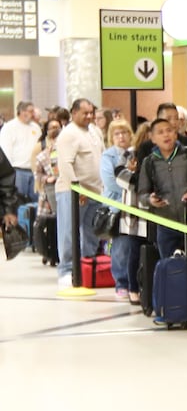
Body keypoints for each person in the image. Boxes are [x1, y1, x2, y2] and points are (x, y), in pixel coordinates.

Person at [55, 98, 105, 286]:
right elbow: (65, 163)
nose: (89, 116)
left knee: (92, 232)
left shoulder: (95, 131)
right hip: (72, 191)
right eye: (85, 113)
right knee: (69, 232)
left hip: (95, 191)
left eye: (91, 112)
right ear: (74, 113)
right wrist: (77, 188)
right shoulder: (68, 134)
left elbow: (102, 156)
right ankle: (66, 270)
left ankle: (87, 265)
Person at [137, 117, 187, 262]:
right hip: (165, 223)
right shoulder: (149, 162)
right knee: (169, 268)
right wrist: (150, 200)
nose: (166, 135)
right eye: (160, 132)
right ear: (152, 139)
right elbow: (142, 194)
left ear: (176, 134)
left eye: (169, 131)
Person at [100, 118, 137, 302]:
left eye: (124, 132)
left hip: (136, 206)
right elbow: (111, 182)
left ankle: (135, 282)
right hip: (116, 206)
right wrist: (130, 183)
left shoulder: (135, 153)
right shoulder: (108, 156)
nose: (121, 136)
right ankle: (121, 282)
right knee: (121, 247)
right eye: (117, 133)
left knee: (134, 246)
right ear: (111, 137)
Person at [113, 124, 150, 304]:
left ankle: (147, 288)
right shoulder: (129, 153)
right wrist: (140, 178)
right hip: (134, 213)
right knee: (133, 251)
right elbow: (120, 176)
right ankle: (132, 288)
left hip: (153, 212)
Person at [1, 101, 40, 203]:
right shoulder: (9, 127)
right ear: (22, 112)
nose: (33, 114)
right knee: (19, 201)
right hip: (18, 171)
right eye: (31, 111)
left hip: (34, 170)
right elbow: (5, 151)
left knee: (35, 201)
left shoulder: (36, 127)